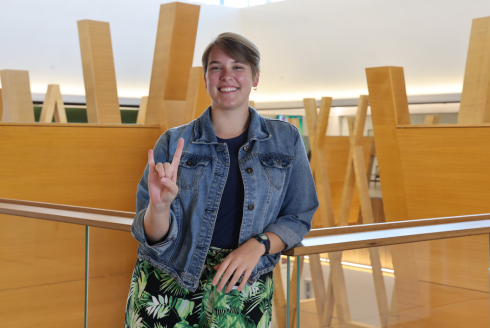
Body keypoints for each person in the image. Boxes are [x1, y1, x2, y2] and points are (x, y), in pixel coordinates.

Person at [125, 32, 319, 328]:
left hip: (243, 285)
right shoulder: (174, 141)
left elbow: (299, 214)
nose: (226, 76)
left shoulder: (285, 139)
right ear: (205, 79)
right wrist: (160, 207)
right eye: (216, 67)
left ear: (255, 77)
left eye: (238, 67)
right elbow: (152, 236)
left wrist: (259, 245)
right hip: (166, 283)